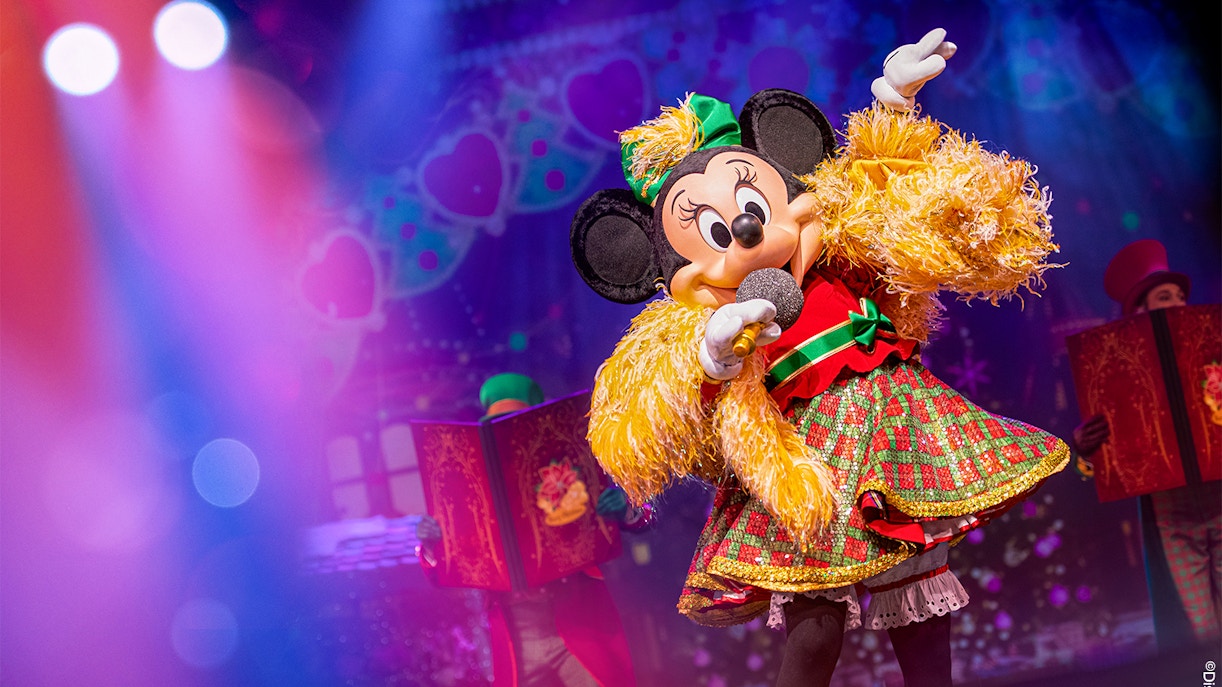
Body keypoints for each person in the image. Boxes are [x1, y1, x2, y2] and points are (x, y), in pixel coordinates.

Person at [568, 30, 1068, 687]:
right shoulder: (709, 324)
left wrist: (891, 105)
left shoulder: (837, 260)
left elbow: (879, 196)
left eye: (753, 210)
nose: (749, 234)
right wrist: (714, 350)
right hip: (810, 469)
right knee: (816, 631)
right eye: (716, 233)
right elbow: (670, 401)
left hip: (894, 445)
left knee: (920, 620)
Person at [416, 373, 651, 687]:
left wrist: (627, 510)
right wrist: (433, 546)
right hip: (517, 634)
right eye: (497, 424)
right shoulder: (476, 489)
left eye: (514, 421)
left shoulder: (571, 459)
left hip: (577, 620)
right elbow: (443, 569)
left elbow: (642, 517)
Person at [1071, 238, 1221, 647]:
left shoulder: (1215, 349)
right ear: (1139, 313)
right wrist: (1086, 453)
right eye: (1162, 298)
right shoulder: (1119, 372)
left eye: (1178, 296)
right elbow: (1108, 460)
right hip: (1171, 516)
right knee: (1199, 635)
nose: (1175, 303)